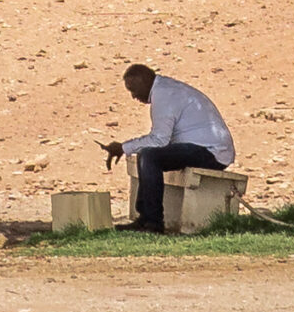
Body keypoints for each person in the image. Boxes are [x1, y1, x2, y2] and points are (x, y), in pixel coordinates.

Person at [98, 63, 235, 233]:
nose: (133, 96)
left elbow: (159, 140)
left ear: (145, 80)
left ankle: (153, 222)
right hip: (207, 148)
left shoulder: (163, 95)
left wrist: (123, 147)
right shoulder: (165, 89)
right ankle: (145, 219)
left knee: (150, 156)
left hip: (212, 152)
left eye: (133, 89)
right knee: (146, 155)